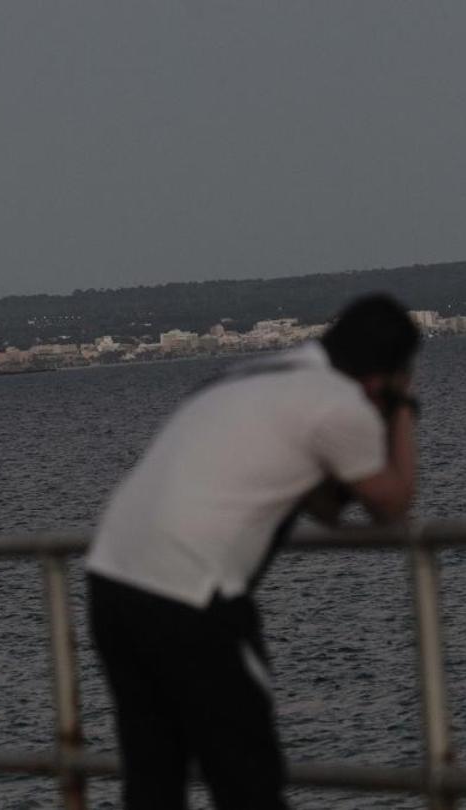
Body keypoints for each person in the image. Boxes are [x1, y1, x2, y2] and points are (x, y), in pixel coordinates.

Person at [86, 294, 420, 810]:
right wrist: (403, 411)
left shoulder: (259, 373)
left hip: (111, 577)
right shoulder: (339, 403)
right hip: (189, 592)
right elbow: (391, 504)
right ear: (381, 377)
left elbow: (324, 505)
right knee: (247, 776)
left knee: (154, 774)